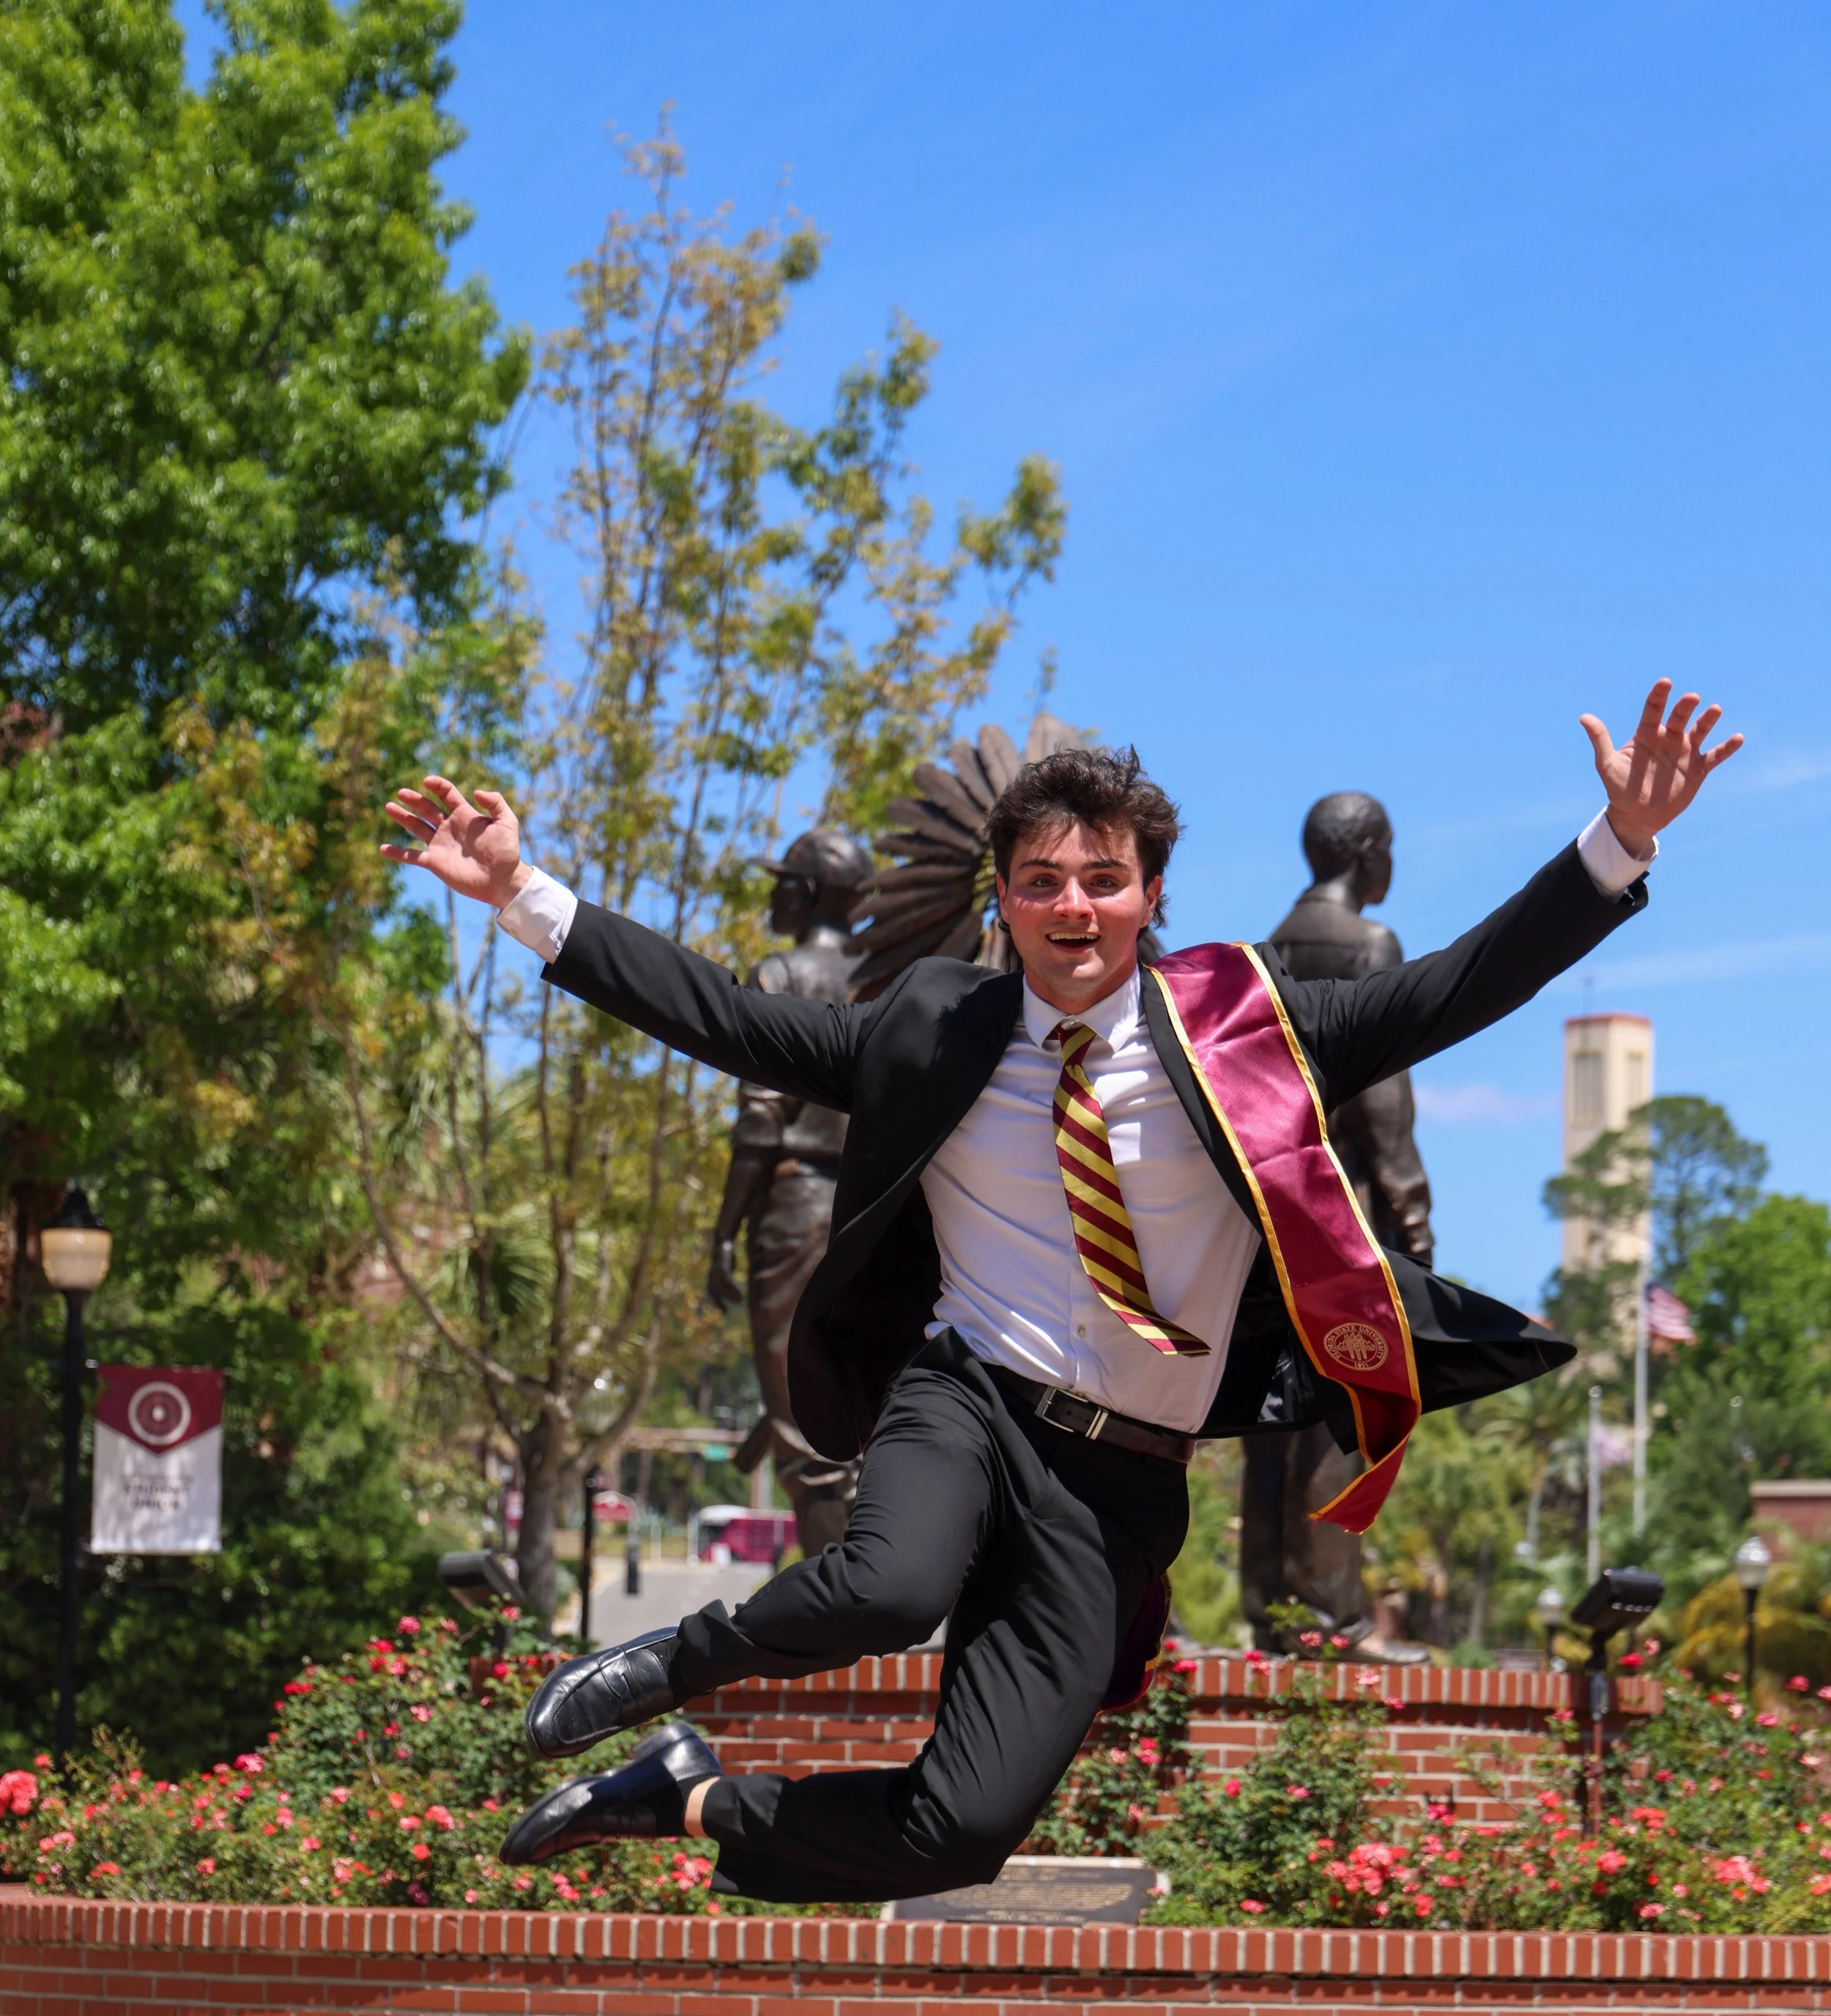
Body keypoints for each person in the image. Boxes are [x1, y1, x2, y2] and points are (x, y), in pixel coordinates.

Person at [379, 681, 1739, 1903]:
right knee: (890, 1584)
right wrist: (521, 891)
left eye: (1102, 877)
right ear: (1003, 900)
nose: (1072, 906)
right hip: (970, 1399)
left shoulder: (1252, 1031)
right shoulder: (934, 1028)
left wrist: (1615, 844)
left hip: (1120, 1482)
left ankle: (680, 1795)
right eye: (1041, 881)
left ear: (1151, 894)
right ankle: (671, 1663)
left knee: (959, 1830)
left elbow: (1462, 985)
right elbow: (730, 1015)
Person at [1241, 788, 1433, 1645]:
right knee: (1341, 1408)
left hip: (1266, 1213)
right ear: (1366, 853)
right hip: (1342, 1209)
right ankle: (1327, 1615)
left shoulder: (1261, 954)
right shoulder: (1370, 945)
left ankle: (1270, 1613)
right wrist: (1414, 1223)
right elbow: (1384, 1105)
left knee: (1268, 1417)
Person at [705, 828, 872, 1556]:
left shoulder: (779, 973)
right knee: (867, 1415)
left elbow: (760, 1122)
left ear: (806, 892)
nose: (773, 895)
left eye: (781, 882)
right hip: (876, 1210)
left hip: (796, 1207)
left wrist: (723, 1232)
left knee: (802, 1426)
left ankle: (845, 1604)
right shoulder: (892, 976)